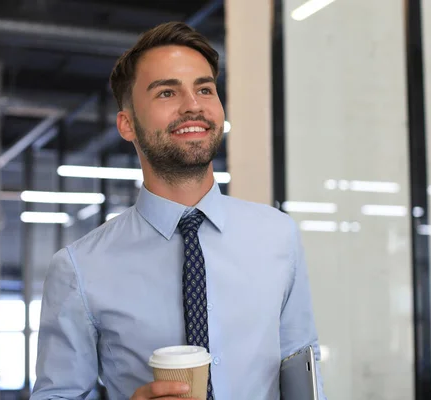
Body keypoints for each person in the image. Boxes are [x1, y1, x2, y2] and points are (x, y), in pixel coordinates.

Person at [31, 21, 326, 400]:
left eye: (205, 89)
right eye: (167, 92)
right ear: (127, 124)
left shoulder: (278, 236)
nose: (193, 106)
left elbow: (303, 368)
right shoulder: (79, 268)